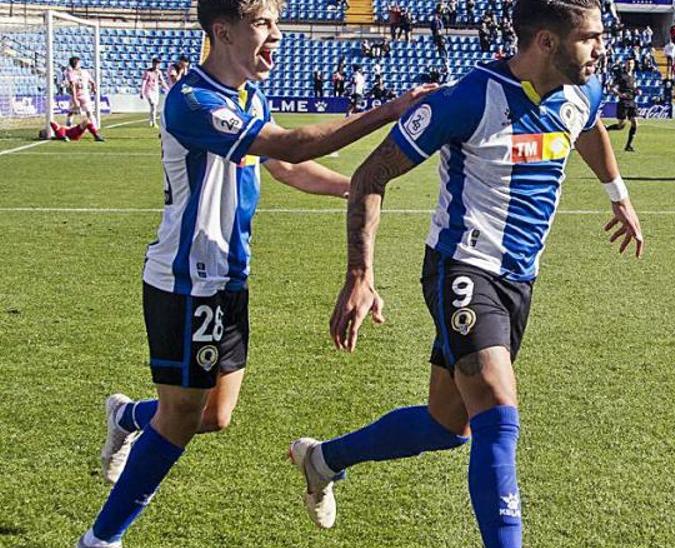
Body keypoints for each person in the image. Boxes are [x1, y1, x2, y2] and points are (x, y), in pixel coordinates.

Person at [285, 1, 644, 546]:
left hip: (520, 278)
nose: (602, 49)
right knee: (498, 409)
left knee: (446, 425)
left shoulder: (582, 89)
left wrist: (617, 195)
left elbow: (589, 128)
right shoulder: (468, 99)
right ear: (546, 43)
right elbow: (371, 174)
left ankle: (323, 459)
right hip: (463, 267)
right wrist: (361, 273)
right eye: (590, 38)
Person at [76, 1, 432, 546]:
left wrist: (350, 186)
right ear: (223, 32)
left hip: (230, 278)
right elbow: (287, 144)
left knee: (213, 415)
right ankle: (102, 538)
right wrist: (388, 112)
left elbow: (285, 166)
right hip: (186, 279)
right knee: (178, 418)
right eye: (263, 25)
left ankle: (127, 417)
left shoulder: (247, 95)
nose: (276, 36)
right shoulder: (193, 101)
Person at [606, 58, 639, 151]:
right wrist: (620, 94)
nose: (630, 65)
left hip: (632, 101)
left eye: (631, 63)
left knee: (635, 123)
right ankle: (606, 129)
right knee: (621, 126)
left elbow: (634, 88)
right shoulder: (621, 75)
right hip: (623, 102)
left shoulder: (633, 76)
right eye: (628, 63)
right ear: (625, 64)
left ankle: (628, 146)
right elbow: (611, 87)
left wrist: (637, 91)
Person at [63, 56, 98, 128]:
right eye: (79, 62)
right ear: (77, 63)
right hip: (82, 95)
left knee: (74, 112)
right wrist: (93, 89)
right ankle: (95, 127)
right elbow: (92, 82)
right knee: (84, 112)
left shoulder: (74, 73)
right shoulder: (75, 73)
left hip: (80, 95)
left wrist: (93, 88)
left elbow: (92, 82)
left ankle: (68, 126)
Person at [140, 57, 169, 127]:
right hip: (149, 90)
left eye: (158, 64)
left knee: (154, 106)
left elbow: (162, 82)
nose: (156, 65)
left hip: (155, 90)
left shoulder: (159, 72)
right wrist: (142, 92)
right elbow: (144, 82)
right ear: (153, 63)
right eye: (155, 63)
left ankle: (151, 120)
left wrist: (168, 89)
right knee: (153, 105)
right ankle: (154, 123)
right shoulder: (148, 72)